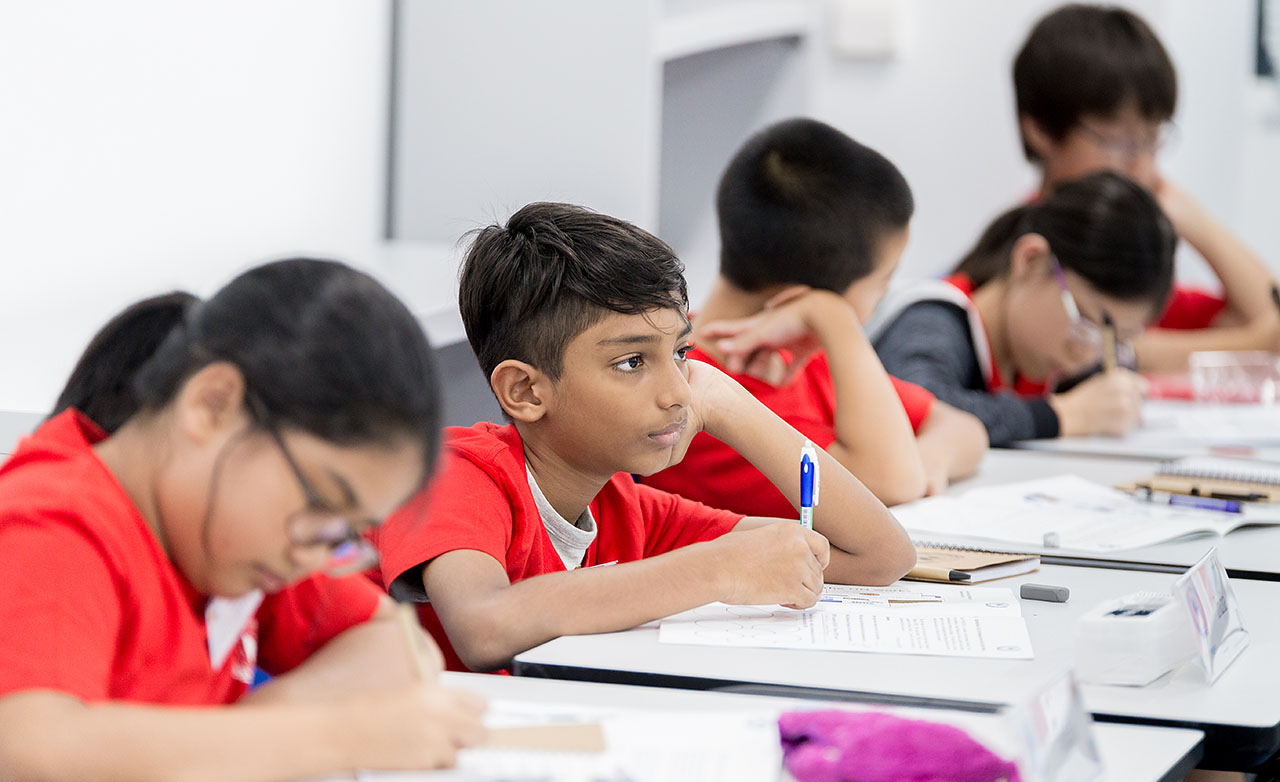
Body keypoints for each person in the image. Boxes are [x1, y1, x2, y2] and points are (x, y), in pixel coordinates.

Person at [0, 259, 486, 782]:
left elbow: (399, 646)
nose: (315, 555)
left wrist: (251, 729)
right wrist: (337, 737)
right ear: (211, 406)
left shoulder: (231, 548)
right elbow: (30, 754)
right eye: (321, 503)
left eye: (347, 533)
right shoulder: (56, 522)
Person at [370, 202, 915, 673]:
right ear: (526, 391)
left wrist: (729, 403)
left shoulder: (624, 508)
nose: (678, 392)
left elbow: (879, 557)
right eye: (632, 362)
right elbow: (484, 626)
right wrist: (719, 567)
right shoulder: (456, 474)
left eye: (680, 354)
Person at [644, 118, 987, 510]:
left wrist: (928, 460)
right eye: (881, 282)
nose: (886, 296)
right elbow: (892, 483)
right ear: (803, 298)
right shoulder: (694, 402)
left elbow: (963, 427)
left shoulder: (811, 357)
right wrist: (834, 318)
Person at [1014, 3, 1279, 372]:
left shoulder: (1133, 256)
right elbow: (1092, 353)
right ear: (1041, 130)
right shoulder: (1023, 253)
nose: (1142, 165)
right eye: (1120, 141)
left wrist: (1195, 219)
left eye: (1152, 140)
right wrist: (1254, 346)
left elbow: (1268, 317)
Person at [871, 172, 1176, 446]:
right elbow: (912, 410)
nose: (1086, 354)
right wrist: (1065, 415)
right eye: (1084, 321)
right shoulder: (934, 320)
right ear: (1030, 260)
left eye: (1114, 342)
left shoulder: (1041, 354)